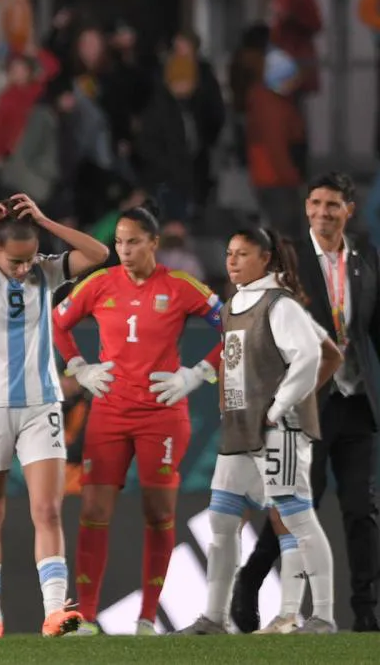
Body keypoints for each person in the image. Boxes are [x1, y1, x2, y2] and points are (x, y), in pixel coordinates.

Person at [0, 193, 108, 639]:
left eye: (29, 259)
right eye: (15, 261)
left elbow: (99, 254)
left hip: (39, 405)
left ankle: (55, 613)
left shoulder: (47, 271)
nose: (24, 268)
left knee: (47, 510)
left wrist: (46, 220)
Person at [53, 203, 224, 636]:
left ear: (154, 243)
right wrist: (79, 367)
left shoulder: (181, 287)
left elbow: (234, 326)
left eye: (132, 242)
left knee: (158, 512)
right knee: (93, 509)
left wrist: (198, 373)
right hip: (109, 411)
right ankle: (86, 618)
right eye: (118, 243)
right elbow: (57, 324)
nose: (124, 251)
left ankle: (147, 618)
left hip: (162, 414)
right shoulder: (99, 284)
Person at [234, 173, 380, 633]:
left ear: (348, 211)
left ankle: (367, 614)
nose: (322, 212)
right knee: (297, 504)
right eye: (315, 203)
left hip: (358, 403)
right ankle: (249, 582)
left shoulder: (366, 257)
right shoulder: (289, 259)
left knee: (362, 509)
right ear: (306, 208)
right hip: (308, 401)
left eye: (332, 205)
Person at [180, 228, 340, 635]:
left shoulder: (280, 305)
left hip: (278, 429)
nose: (231, 261)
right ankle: (213, 618)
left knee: (296, 518)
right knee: (221, 519)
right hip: (239, 427)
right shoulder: (235, 303)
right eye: (229, 253)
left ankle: (320, 615)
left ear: (265, 258)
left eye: (242, 254)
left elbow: (308, 357)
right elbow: (234, 363)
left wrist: (282, 405)